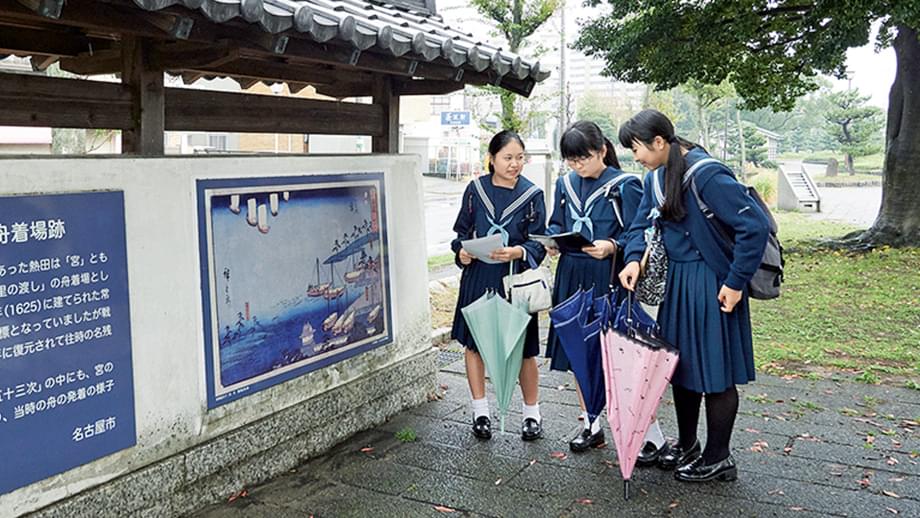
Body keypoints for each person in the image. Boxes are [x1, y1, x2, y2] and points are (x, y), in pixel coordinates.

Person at [618, 109, 770, 482]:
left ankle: (719, 457)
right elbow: (638, 226)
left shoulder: (707, 173)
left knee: (716, 373)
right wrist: (634, 258)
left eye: (636, 148)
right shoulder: (654, 178)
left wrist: (735, 283)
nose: (634, 157)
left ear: (659, 142)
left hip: (712, 283)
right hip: (676, 283)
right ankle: (688, 446)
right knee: (679, 370)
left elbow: (754, 226)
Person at [544, 121, 668, 462]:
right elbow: (557, 222)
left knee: (618, 358)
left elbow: (637, 233)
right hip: (572, 275)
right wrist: (553, 239)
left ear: (601, 150)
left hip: (607, 278)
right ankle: (591, 424)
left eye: (583, 158)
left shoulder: (625, 185)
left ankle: (650, 436)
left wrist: (612, 245)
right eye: (571, 160)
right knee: (578, 354)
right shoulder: (565, 183)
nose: (577, 166)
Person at [450, 130, 548, 441]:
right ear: (491, 159)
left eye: (520, 158)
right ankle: (480, 411)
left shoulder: (532, 195)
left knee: (522, 348)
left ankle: (531, 414)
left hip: (513, 280)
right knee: (474, 344)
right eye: (508, 158)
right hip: (478, 276)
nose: (515, 164)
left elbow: (540, 241)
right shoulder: (475, 190)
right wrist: (462, 252)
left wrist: (519, 251)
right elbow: (460, 234)